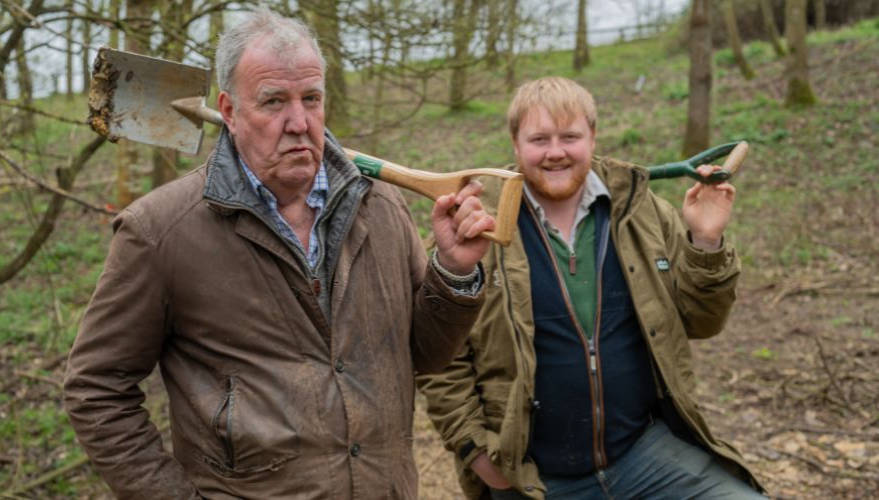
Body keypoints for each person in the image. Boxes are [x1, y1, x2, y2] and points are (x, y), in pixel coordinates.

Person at [63, 7, 496, 499]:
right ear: (228, 111)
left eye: (311, 98)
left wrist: (455, 272)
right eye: (273, 102)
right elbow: (96, 390)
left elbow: (424, 355)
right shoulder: (160, 232)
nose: (298, 122)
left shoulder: (379, 206)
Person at [416, 76, 766, 499]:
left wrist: (706, 242)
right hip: (534, 476)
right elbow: (438, 359)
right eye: (539, 138)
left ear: (593, 136)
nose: (556, 152)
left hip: (645, 455)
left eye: (570, 136)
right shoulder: (472, 229)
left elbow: (703, 322)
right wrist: (476, 452)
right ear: (515, 143)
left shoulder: (643, 212)